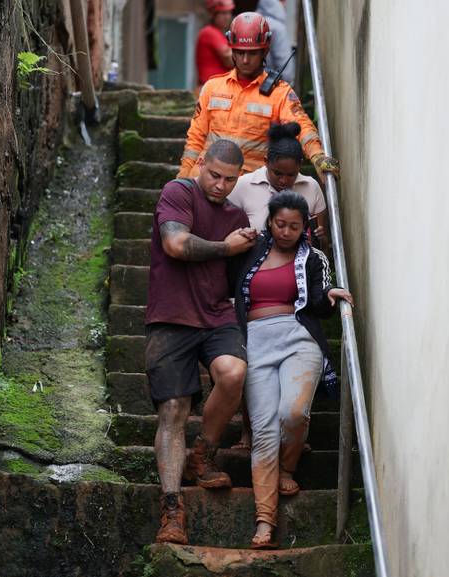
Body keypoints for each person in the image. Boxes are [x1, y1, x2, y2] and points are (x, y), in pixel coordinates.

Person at [146, 139, 258, 545]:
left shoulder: (236, 216)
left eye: (230, 180)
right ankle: (172, 508)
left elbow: (242, 278)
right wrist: (227, 247)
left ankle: (203, 454)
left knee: (234, 372)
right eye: (214, 175)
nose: (220, 185)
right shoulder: (178, 193)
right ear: (201, 165)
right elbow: (176, 244)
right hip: (171, 315)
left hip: (216, 314)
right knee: (174, 409)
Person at [231, 191, 354, 549]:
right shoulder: (249, 251)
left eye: (294, 226)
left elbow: (318, 298)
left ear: (305, 228)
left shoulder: (313, 257)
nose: (286, 232)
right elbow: (227, 287)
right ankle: (264, 522)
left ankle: (288, 466)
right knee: (264, 431)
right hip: (256, 341)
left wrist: (330, 296)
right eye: (280, 224)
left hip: (299, 338)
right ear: (270, 221)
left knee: (294, 412)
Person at [227, 121, 331, 451]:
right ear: (266, 163)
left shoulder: (310, 188)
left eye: (291, 174)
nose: (285, 180)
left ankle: (293, 437)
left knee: (297, 370)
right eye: (277, 174)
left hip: (296, 282)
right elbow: (226, 226)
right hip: (253, 279)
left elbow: (321, 238)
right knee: (251, 362)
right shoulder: (243, 186)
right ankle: (248, 431)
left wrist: (320, 242)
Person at [178, 11, 340, 181]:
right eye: (239, 52)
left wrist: (317, 156)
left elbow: (302, 126)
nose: (245, 60)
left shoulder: (280, 93)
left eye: (252, 53)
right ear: (232, 50)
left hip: (249, 184)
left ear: (265, 51)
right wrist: (183, 176)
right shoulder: (212, 87)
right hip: (206, 178)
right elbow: (195, 138)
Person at [196, 0, 234, 86]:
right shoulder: (209, 32)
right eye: (223, 13)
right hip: (211, 89)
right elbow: (230, 60)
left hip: (217, 88)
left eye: (228, 12)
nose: (227, 17)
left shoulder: (220, 33)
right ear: (212, 14)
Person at [255, 0, 294, 86]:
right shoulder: (278, 28)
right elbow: (285, 68)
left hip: (251, 81)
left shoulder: (254, 24)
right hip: (271, 85)